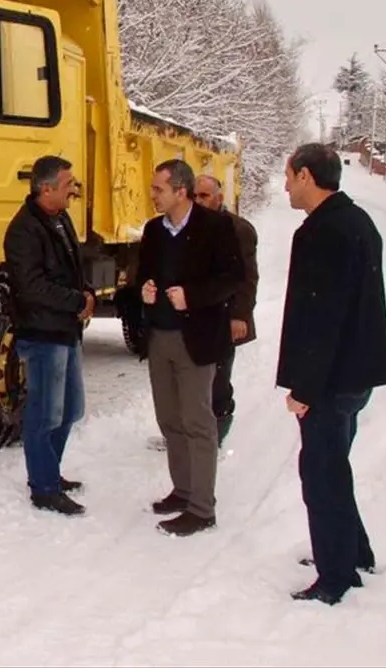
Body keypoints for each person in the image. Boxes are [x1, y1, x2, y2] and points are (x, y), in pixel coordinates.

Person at [277, 142, 386, 605]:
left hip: (330, 378)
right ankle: (353, 551)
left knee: (321, 475)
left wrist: (304, 388)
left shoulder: (324, 232)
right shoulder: (357, 221)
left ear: (306, 176)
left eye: (289, 177)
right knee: (334, 466)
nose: (286, 186)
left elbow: (323, 317)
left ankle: (335, 577)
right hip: (353, 374)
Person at [135, 159, 243, 536]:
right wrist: (144, 290)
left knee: (198, 422)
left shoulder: (216, 227)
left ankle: (202, 508)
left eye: (159, 189)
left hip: (196, 339)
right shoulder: (153, 230)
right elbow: (142, 275)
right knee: (170, 419)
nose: (152, 195)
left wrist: (192, 297)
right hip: (160, 337)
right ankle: (182, 491)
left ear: (181, 191)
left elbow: (233, 278)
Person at [3, 154, 94, 516]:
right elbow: (32, 286)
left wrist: (86, 293)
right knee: (45, 414)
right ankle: (43, 488)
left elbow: (73, 268)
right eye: (68, 184)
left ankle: (49, 472)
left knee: (71, 409)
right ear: (46, 189)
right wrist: (77, 301)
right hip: (42, 334)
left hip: (65, 330)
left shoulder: (60, 218)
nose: (74, 189)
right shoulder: (24, 230)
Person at [193, 174, 259, 445]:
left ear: (219, 198)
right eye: (194, 196)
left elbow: (247, 277)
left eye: (204, 196)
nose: (198, 201)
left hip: (224, 317)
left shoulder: (238, 229)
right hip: (196, 317)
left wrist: (239, 316)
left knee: (218, 380)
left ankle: (216, 435)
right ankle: (191, 434)